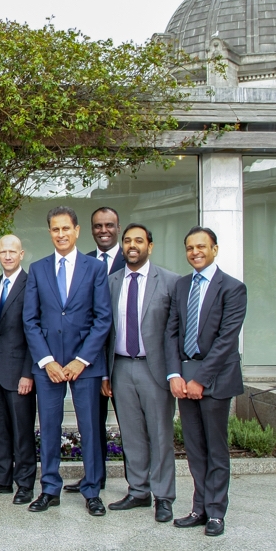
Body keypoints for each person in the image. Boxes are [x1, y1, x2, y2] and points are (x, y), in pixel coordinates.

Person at [22, 206, 113, 516]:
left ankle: (92, 490)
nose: (60, 234)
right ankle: (49, 488)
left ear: (76, 231)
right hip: (48, 365)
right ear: (50, 233)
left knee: (90, 427)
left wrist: (81, 360)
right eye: (55, 229)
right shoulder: (38, 269)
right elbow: (30, 320)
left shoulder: (95, 268)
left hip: (84, 366)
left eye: (66, 229)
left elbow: (103, 319)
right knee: (48, 427)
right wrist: (46, 361)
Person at [166, 227, 247, 538]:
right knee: (194, 448)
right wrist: (175, 375)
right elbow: (171, 332)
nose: (195, 252)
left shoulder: (233, 288)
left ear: (215, 249)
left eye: (201, 246)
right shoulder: (181, 286)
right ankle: (199, 507)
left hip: (215, 379)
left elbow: (227, 340)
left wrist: (200, 378)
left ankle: (216, 512)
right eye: (189, 247)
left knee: (215, 448)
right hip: (185, 379)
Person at [102, 223, 181, 522]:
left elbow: (175, 332)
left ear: (150, 245)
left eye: (138, 240)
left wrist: (175, 373)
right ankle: (138, 490)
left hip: (155, 369)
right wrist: (104, 375)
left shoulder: (170, 282)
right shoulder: (112, 282)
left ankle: (163, 496)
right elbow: (105, 331)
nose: (132, 245)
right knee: (131, 434)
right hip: (120, 366)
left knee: (160, 434)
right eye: (127, 241)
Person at [67, 205, 125, 494]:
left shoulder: (133, 260)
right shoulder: (85, 262)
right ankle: (94, 478)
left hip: (125, 359)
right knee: (93, 424)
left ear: (118, 227)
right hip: (92, 360)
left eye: (109, 225)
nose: (103, 230)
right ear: (90, 230)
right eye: (98, 226)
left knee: (131, 425)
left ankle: (140, 485)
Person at [0, 235, 37, 505]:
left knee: (22, 430)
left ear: (22, 254)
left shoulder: (31, 285)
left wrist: (29, 372)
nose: (8, 256)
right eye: (3, 252)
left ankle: (24, 483)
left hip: (19, 373)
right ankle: (1, 479)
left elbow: (33, 332)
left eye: (13, 251)